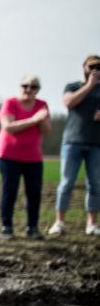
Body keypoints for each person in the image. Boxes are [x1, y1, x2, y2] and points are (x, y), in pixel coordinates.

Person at [48, 54, 100, 236]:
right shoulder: (73, 86)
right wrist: (89, 86)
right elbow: (69, 102)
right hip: (72, 142)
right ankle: (59, 222)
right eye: (91, 66)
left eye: (98, 67)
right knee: (66, 183)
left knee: (95, 184)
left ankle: (92, 224)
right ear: (84, 67)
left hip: (96, 144)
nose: (95, 70)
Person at [0, 76, 50, 239]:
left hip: (33, 157)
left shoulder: (42, 105)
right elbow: (9, 127)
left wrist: (42, 120)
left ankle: (32, 227)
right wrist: (34, 119)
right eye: (25, 86)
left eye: (33, 87)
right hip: (9, 155)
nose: (28, 89)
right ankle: (6, 226)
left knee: (34, 193)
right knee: (9, 191)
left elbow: (46, 132)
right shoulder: (10, 103)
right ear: (20, 87)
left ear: (37, 90)